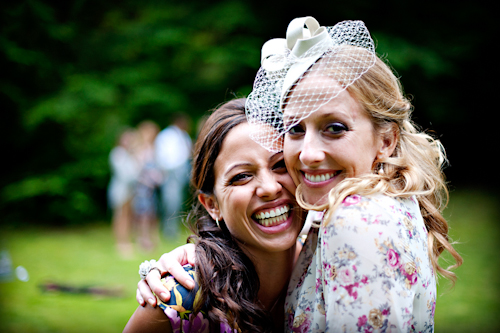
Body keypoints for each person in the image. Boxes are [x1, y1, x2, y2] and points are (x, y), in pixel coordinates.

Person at [137, 17, 462, 332]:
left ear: (386, 140)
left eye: (334, 128)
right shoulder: (335, 221)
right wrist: (204, 258)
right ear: (211, 204)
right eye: (295, 128)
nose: (307, 154)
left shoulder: (356, 219)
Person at [124, 98, 306, 332]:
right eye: (242, 176)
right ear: (212, 205)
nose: (270, 188)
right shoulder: (182, 299)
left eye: (280, 165)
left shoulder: (332, 263)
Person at [154, 113, 193, 239]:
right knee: (170, 202)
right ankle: (168, 230)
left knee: (177, 202)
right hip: (171, 173)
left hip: (182, 172)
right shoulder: (166, 135)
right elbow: (163, 157)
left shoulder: (183, 135)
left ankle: (174, 228)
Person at [107, 128, 140, 257]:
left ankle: (126, 240)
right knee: (119, 216)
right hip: (120, 189)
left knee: (127, 216)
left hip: (130, 190)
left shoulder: (129, 155)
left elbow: (136, 172)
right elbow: (125, 175)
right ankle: (120, 242)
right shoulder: (117, 154)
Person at [133, 120, 163, 252]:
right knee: (143, 213)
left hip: (152, 187)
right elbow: (137, 169)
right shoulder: (139, 149)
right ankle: (142, 239)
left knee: (152, 212)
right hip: (142, 187)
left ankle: (152, 238)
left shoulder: (154, 148)